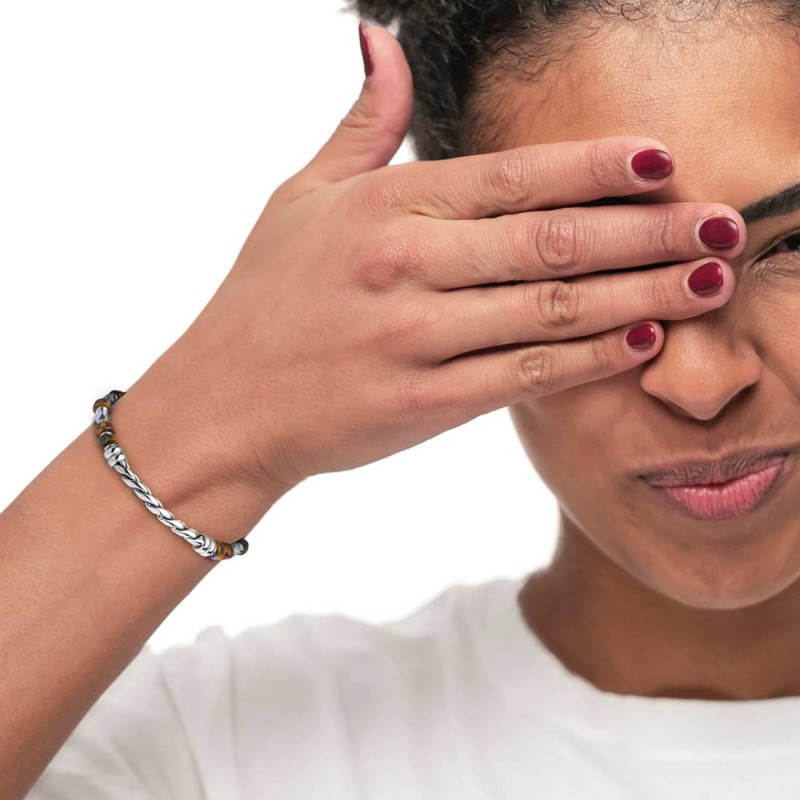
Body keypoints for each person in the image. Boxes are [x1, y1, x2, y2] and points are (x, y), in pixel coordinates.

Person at [6, 0, 800, 796]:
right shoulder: (216, 745)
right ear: (457, 262)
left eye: (793, 246)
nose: (701, 386)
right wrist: (200, 432)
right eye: (594, 265)